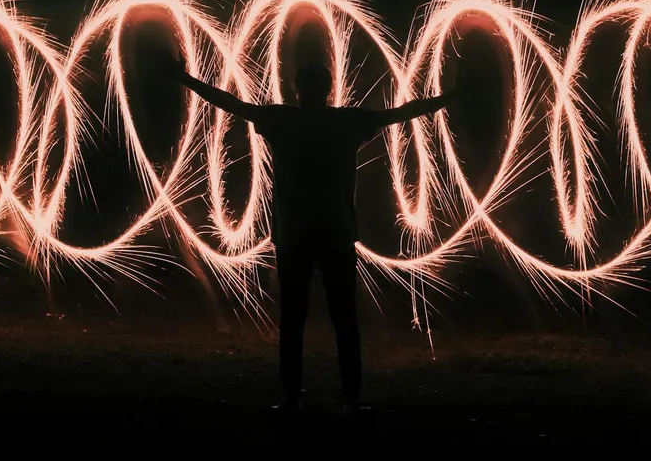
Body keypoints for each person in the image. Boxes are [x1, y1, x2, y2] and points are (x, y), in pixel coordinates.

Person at [164, 51, 458, 413]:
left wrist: (184, 78)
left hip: (294, 234)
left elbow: (230, 103)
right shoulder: (346, 122)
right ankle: (350, 397)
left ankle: (292, 397)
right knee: (344, 319)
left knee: (293, 320)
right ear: (329, 88)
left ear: (297, 89)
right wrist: (451, 96)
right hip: (335, 233)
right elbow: (402, 113)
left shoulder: (282, 119)